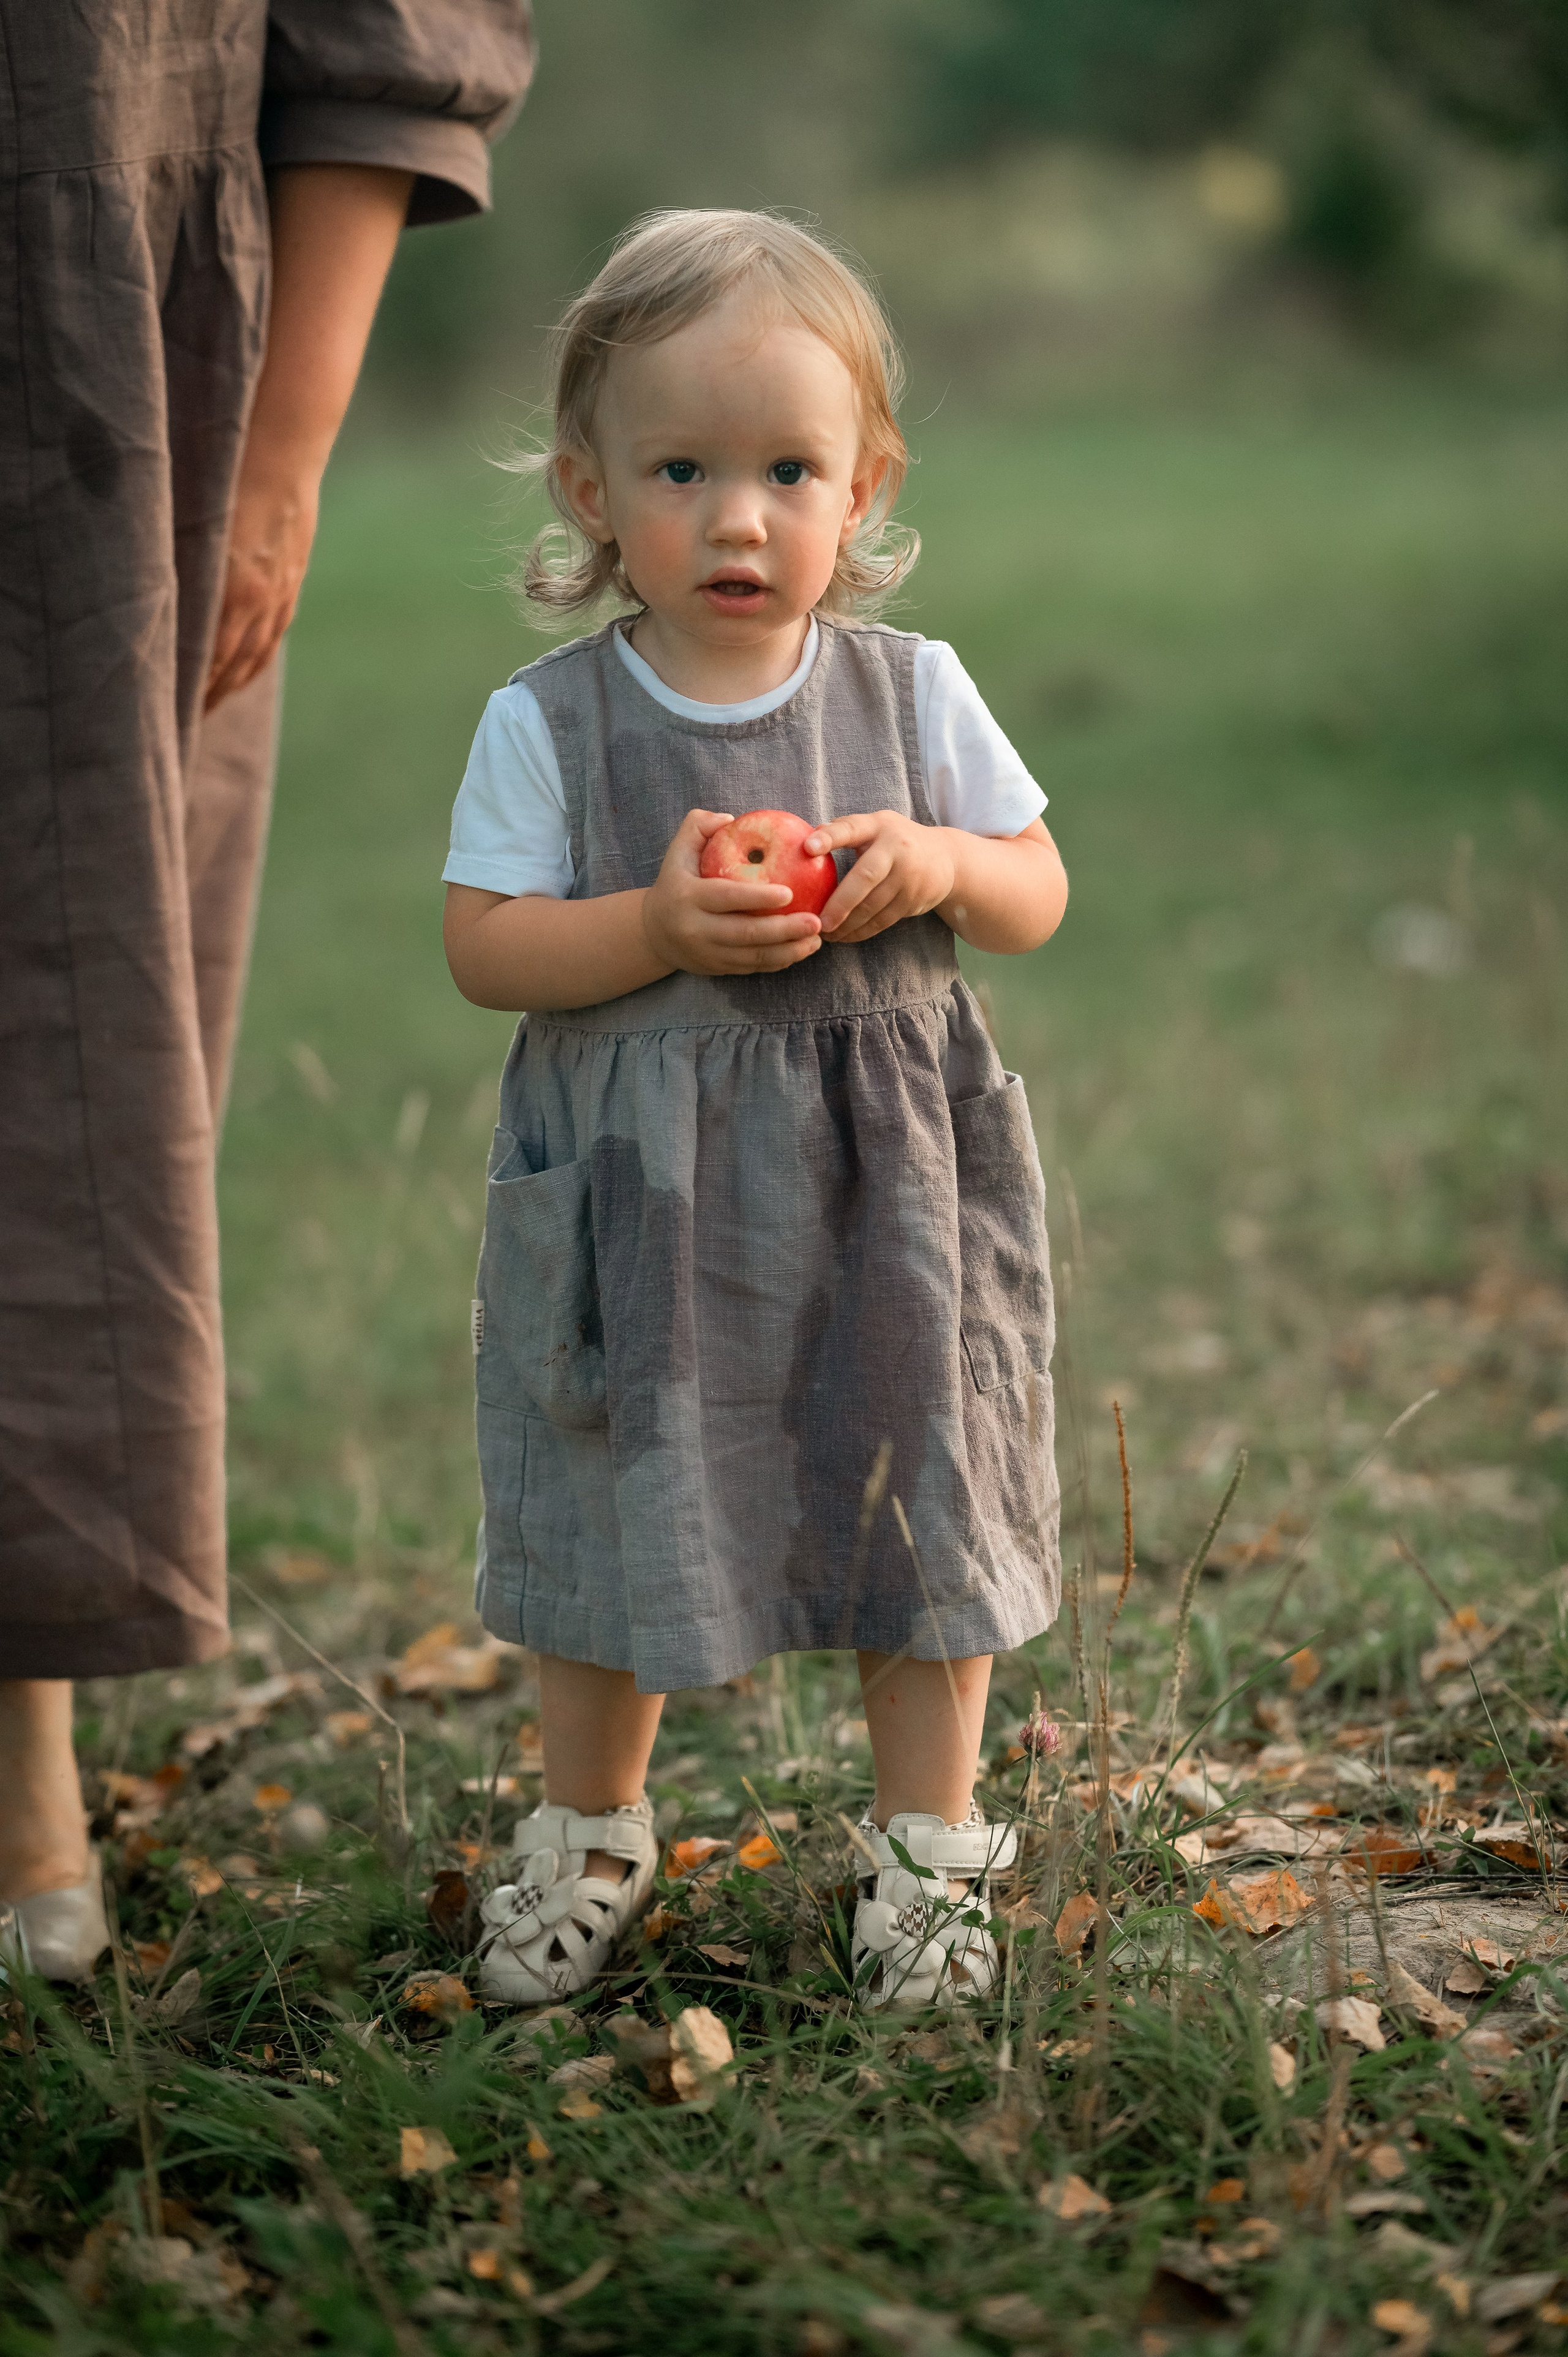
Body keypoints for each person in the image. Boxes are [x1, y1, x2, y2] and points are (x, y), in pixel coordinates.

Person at [442, 209, 1066, 2013]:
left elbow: (1036, 890)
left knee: (917, 1486)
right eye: (682, 468)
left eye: (790, 468)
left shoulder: (911, 692)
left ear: (863, 482)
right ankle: (591, 1827)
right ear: (589, 488)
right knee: (608, 1492)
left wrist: (937, 857)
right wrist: (650, 925)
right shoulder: (551, 724)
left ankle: (930, 1854)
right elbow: (486, 950)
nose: (738, 516)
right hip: (645, 1205)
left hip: (893, 1193)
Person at [0, 1, 535, 1982]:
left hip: (92, 355)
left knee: (52, 1041)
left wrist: (284, 456)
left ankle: (16, 1735)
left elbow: (388, 43)